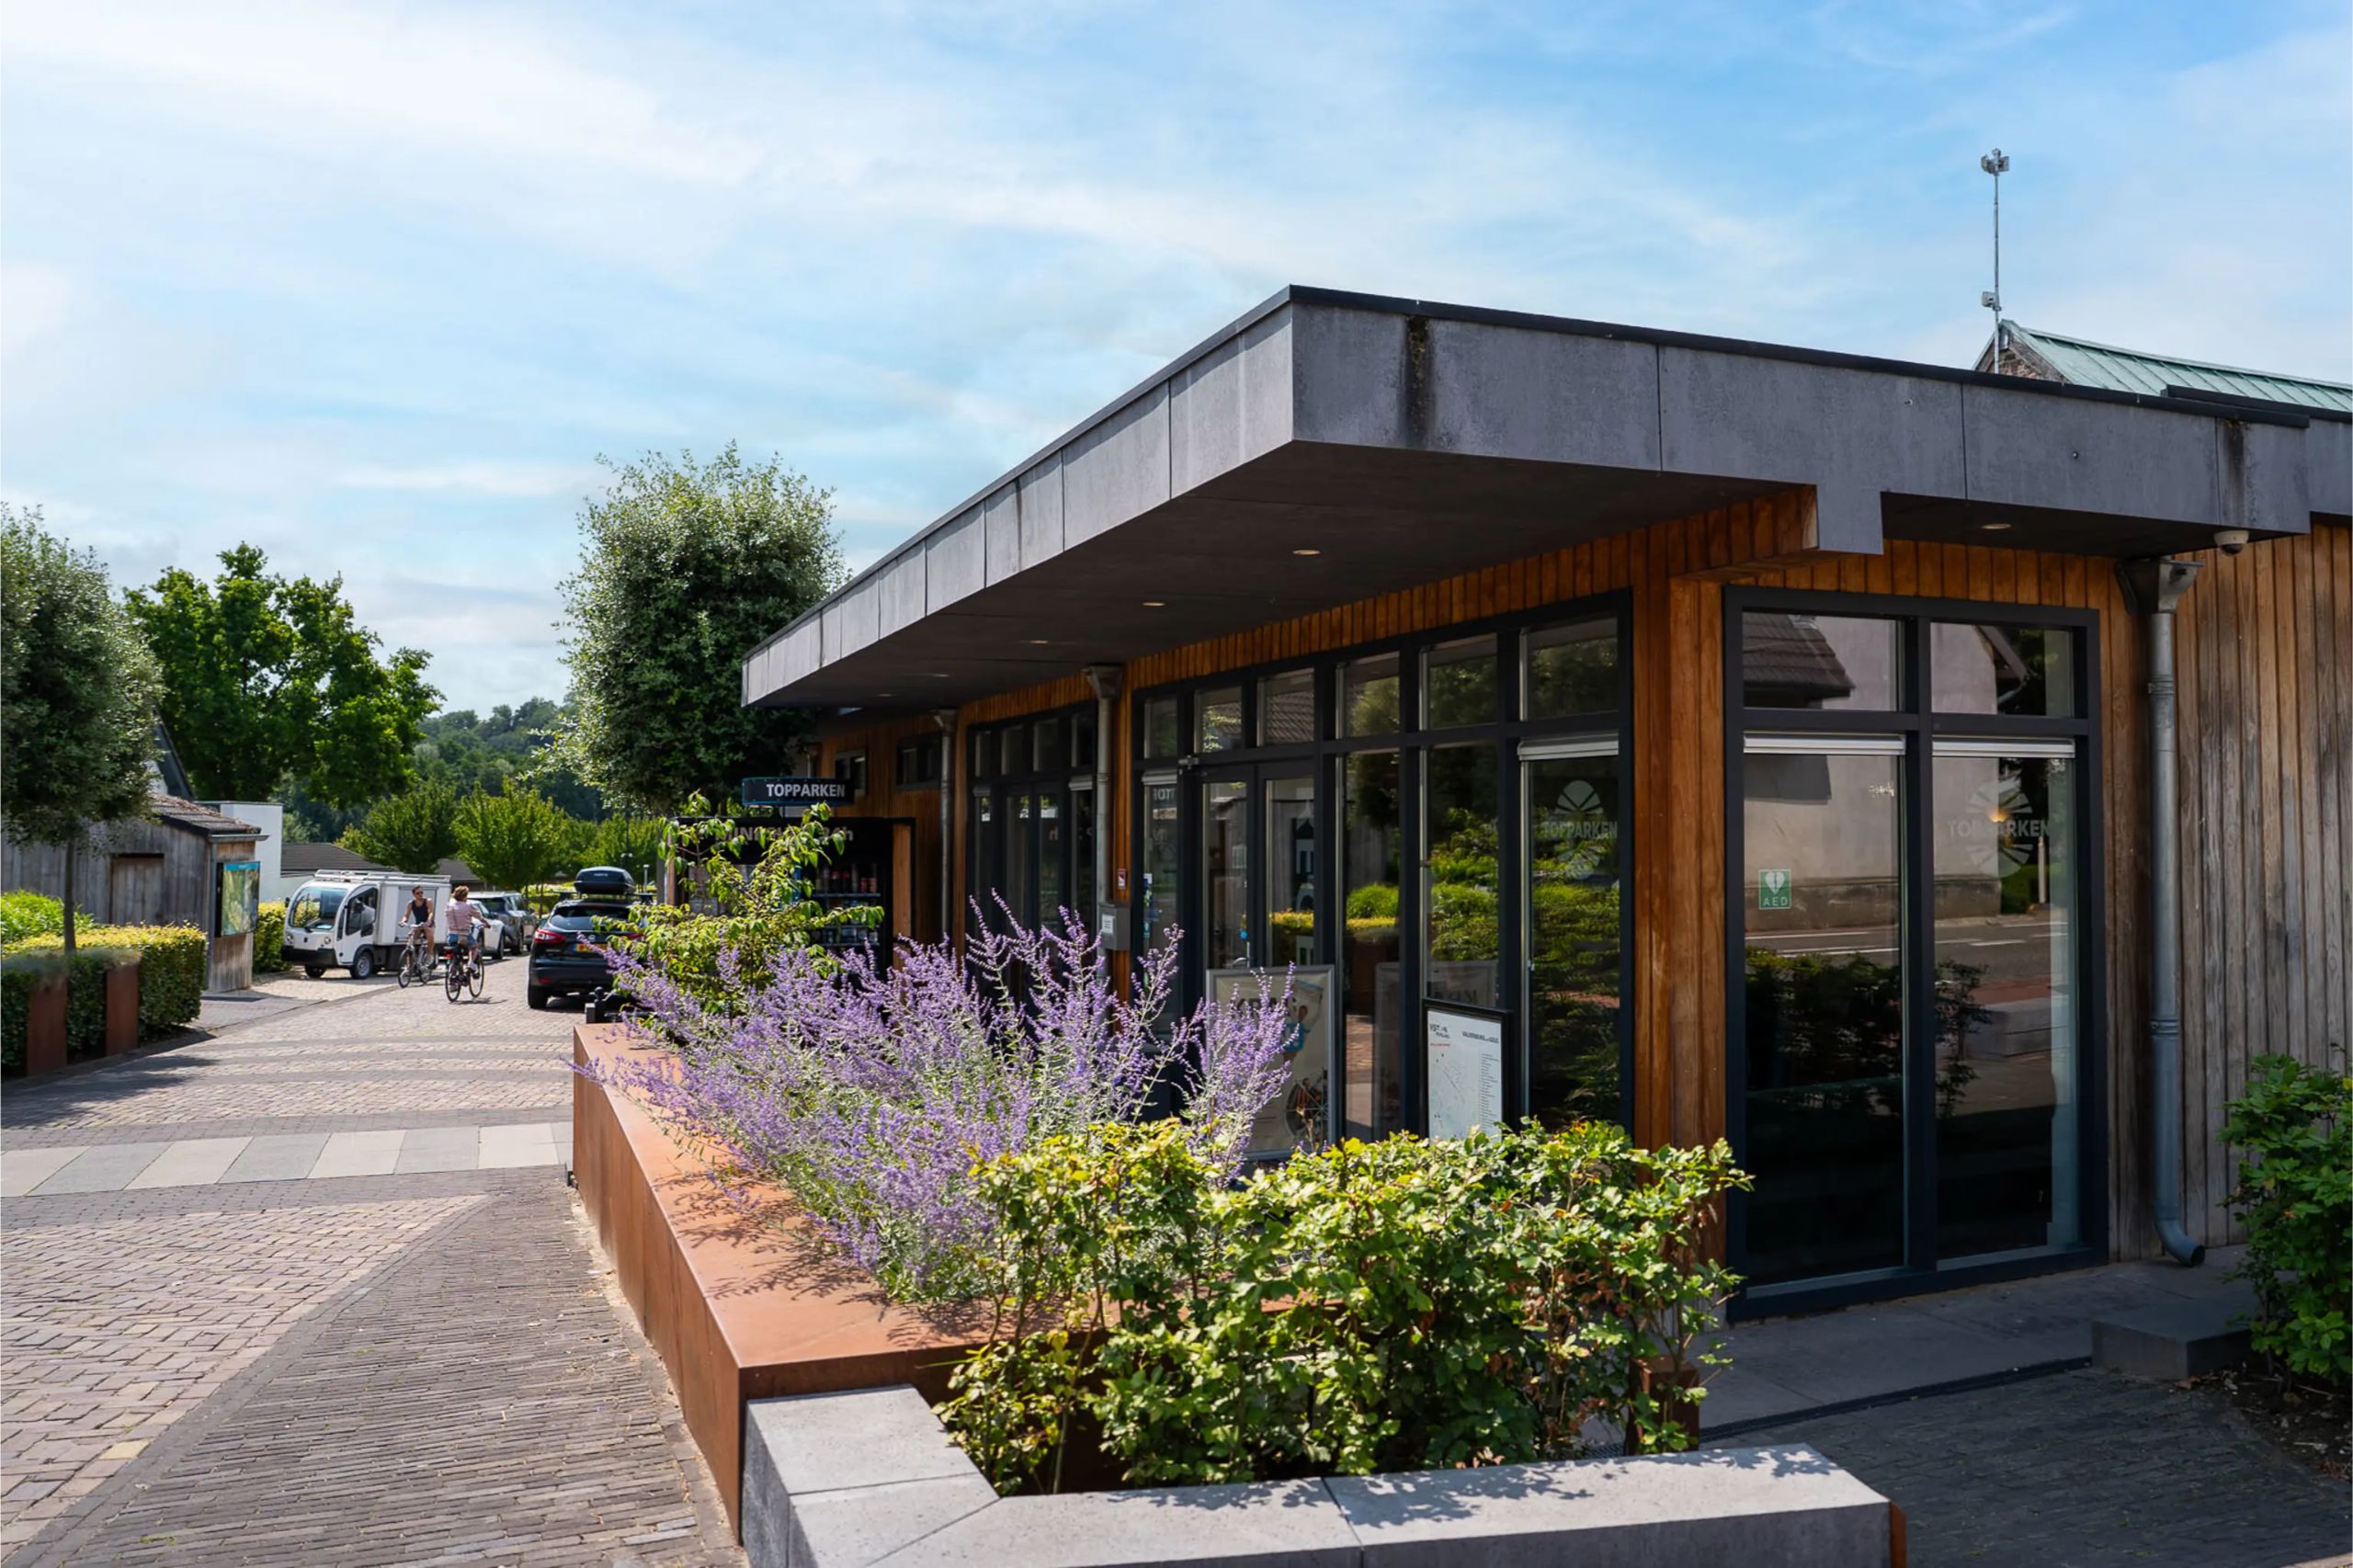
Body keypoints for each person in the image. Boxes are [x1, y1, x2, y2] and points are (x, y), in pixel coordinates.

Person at [444, 885, 486, 971]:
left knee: (451, 950)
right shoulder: (468, 906)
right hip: (465, 935)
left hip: (452, 935)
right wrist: (486, 923)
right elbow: (478, 916)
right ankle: (471, 963)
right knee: (474, 947)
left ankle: (450, 966)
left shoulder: (449, 906)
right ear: (464, 896)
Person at [400, 885, 436, 970]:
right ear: (414, 894)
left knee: (430, 936)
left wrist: (428, 921)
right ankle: (409, 965)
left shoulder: (428, 901)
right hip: (418, 924)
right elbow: (406, 915)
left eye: (421, 893)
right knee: (410, 938)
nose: (420, 895)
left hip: (427, 924)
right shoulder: (411, 904)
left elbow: (430, 912)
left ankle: (429, 955)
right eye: (418, 893)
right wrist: (403, 921)